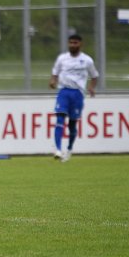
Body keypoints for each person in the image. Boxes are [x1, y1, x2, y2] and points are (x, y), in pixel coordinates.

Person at [49, 33, 98, 162]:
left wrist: (91, 87)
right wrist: (53, 81)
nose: (72, 45)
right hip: (64, 92)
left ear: (80, 44)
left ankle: (69, 149)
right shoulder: (62, 58)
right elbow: (55, 73)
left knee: (72, 124)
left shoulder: (87, 60)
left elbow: (94, 76)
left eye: (75, 43)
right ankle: (58, 150)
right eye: (70, 42)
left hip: (78, 94)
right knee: (60, 118)